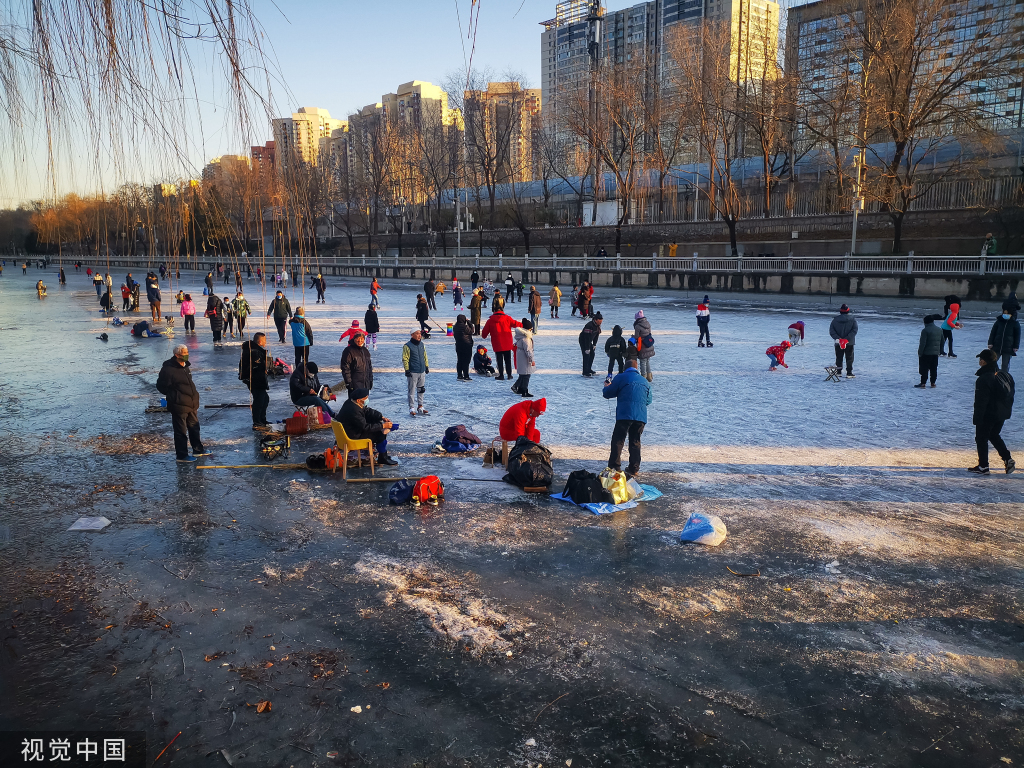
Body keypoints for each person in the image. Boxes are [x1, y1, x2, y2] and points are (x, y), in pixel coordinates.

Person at [156, 344, 210, 463]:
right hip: (179, 405)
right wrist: (175, 396)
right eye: (184, 353)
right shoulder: (168, 369)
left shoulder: (185, 366)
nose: (187, 355)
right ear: (177, 355)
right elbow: (161, 386)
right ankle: (182, 455)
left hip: (191, 404)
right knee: (181, 431)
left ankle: (198, 449)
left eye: (187, 352)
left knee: (194, 427)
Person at [602, 359, 652, 478]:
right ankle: (634, 468)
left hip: (625, 414)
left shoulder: (621, 377)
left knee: (618, 440)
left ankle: (615, 466)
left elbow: (608, 393)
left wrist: (606, 387)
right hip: (640, 416)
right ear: (637, 368)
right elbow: (648, 400)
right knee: (635, 441)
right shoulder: (645, 381)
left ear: (625, 367)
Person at [970, 348, 1015, 475]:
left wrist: (977, 418)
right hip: (1002, 413)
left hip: (988, 414)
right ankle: (1007, 458)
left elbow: (981, 401)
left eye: (981, 359)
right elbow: (1011, 395)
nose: (979, 361)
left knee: (981, 438)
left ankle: (983, 466)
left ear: (984, 362)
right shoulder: (1005, 375)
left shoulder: (984, 379)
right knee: (993, 435)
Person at [338, 388, 399, 466]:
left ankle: (383, 455)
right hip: (352, 435)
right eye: (365, 398)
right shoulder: (354, 410)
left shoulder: (350, 402)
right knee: (380, 433)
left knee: (376, 423)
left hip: (349, 431)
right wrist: (383, 426)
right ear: (358, 400)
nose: (367, 399)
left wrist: (381, 417)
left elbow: (366, 411)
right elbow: (366, 427)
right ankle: (382, 457)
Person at [481, 304, 522, 381]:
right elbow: (516, 324)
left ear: (494, 311)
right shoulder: (507, 318)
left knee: (499, 360)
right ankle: (509, 375)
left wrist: (484, 335)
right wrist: (525, 325)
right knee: (508, 360)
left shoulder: (490, 320)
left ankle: (501, 375)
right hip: (507, 343)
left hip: (497, 343)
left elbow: (484, 334)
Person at [240, 332, 270, 429]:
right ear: (260, 341)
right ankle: (257, 422)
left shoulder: (254, 349)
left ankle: (262, 420)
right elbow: (256, 366)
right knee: (259, 400)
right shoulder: (254, 351)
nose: (266, 342)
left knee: (265, 399)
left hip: (256, 378)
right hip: (255, 379)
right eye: (265, 340)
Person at [403, 329, 430, 416]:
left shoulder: (422, 344)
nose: (419, 335)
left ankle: (420, 406)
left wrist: (426, 366)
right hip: (413, 371)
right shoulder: (407, 346)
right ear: (412, 335)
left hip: (421, 370)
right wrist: (407, 370)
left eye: (420, 333)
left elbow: (425, 356)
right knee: (412, 390)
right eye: (417, 334)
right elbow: (405, 358)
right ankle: (411, 407)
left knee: (421, 389)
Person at [341, 330, 374, 398]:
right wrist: (349, 383)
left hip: (365, 384)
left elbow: (369, 368)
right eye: (357, 338)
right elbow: (345, 368)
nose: (360, 341)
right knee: (355, 405)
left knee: (364, 404)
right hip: (355, 384)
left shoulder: (365, 351)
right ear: (354, 339)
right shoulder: (349, 351)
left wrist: (370, 381)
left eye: (362, 339)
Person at [829, 304, 858, 378]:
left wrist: (839, 339)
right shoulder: (853, 319)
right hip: (849, 342)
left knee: (839, 357)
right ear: (848, 311)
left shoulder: (835, 320)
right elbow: (854, 330)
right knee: (849, 358)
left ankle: (839, 372)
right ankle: (849, 373)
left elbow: (831, 331)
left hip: (838, 343)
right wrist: (847, 339)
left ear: (840, 311)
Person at [988, 308, 1021, 373]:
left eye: (1007, 313)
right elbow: (993, 333)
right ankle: (991, 375)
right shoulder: (998, 322)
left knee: (1005, 365)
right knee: (992, 362)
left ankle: (1004, 377)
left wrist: (1016, 346)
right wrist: (990, 343)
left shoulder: (1015, 323)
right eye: (1004, 313)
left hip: (1008, 348)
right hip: (996, 346)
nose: (1005, 315)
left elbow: (1017, 336)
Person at [915, 314, 943, 388]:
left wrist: (920, 353)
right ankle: (933, 383)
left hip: (926, 353)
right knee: (934, 368)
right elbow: (942, 341)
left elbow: (922, 343)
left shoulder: (925, 330)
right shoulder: (939, 330)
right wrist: (940, 351)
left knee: (924, 368)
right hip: (935, 353)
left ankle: (923, 383)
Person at [511, 320, 536, 396]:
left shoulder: (521, 336)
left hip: (521, 356)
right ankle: (524, 391)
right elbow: (528, 350)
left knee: (523, 374)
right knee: (526, 375)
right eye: (531, 329)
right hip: (525, 358)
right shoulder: (526, 338)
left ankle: (520, 389)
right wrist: (532, 359)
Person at [579, 312, 604, 377]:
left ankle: (589, 369)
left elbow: (596, 335)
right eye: (599, 320)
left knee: (592, 354)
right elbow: (586, 337)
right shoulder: (589, 325)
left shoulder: (597, 326)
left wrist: (594, 344)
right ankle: (585, 372)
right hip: (583, 340)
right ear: (595, 320)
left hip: (589, 341)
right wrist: (587, 348)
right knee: (586, 355)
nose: (601, 322)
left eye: (601, 320)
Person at [633, 310, 655, 382]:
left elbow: (636, 337)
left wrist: (632, 337)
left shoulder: (638, 326)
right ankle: (649, 376)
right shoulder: (648, 323)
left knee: (642, 361)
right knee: (647, 361)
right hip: (648, 344)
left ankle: (643, 378)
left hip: (642, 346)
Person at [453, 314, 474, 381]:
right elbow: (472, 331)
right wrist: (469, 322)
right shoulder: (465, 327)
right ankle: (466, 375)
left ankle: (459, 375)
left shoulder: (455, 327)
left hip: (458, 346)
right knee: (466, 361)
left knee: (459, 360)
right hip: (467, 345)